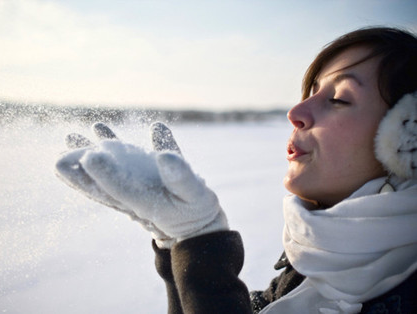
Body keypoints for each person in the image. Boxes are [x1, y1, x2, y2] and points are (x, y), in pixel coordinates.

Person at [55, 26, 417, 313]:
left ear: (406, 138)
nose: (296, 113)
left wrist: (201, 240)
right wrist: (178, 245)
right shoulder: (310, 268)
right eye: (311, 92)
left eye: (338, 98)